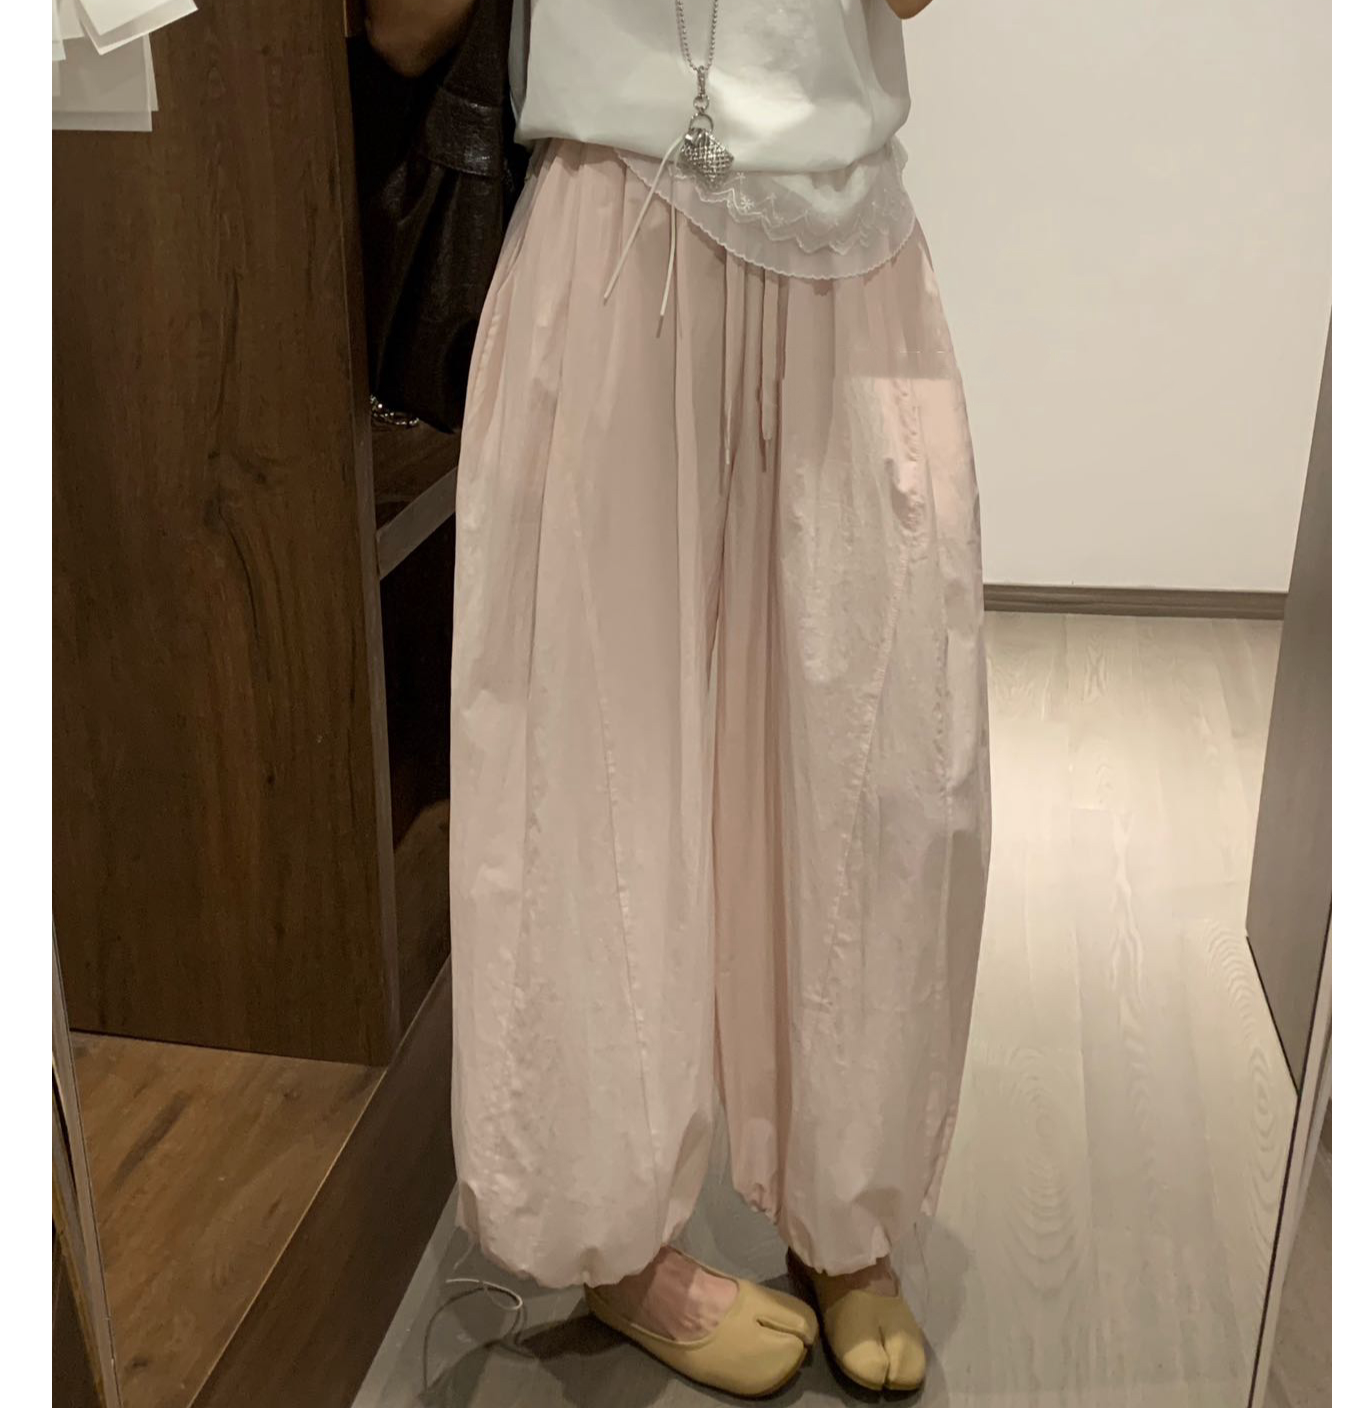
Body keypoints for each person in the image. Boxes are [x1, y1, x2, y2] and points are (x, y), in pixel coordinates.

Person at [369, 0, 990, 1394]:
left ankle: (848, 1214)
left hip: (850, 235)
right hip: (613, 217)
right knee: (598, 757)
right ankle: (615, 1238)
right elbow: (403, 28)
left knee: (888, 765)